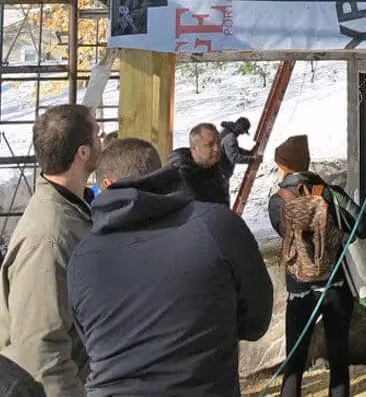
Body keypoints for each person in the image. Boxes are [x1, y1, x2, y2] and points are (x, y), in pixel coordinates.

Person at [68, 138, 272, 396]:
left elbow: (90, 343)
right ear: (157, 171)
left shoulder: (82, 257)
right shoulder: (217, 225)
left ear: (106, 185)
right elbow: (255, 321)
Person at [0, 105, 101, 397]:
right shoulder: (49, 237)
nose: (102, 140)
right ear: (83, 152)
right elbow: (41, 351)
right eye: (98, 134)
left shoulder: (69, 209)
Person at [268, 135, 366, 397]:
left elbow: (286, 236)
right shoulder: (331, 194)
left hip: (300, 291)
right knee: (338, 358)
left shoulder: (277, 202)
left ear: (284, 167)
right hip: (336, 287)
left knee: (294, 364)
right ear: (307, 162)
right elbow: (365, 227)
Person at [168, 123, 229, 206]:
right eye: (210, 145)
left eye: (218, 143)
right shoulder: (182, 178)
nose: (217, 149)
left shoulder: (212, 164)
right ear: (194, 149)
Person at [219, 118, 261, 195]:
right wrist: (253, 160)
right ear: (240, 128)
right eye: (243, 131)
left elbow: (233, 149)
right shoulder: (230, 137)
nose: (242, 134)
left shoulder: (226, 131)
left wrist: (249, 153)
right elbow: (234, 158)